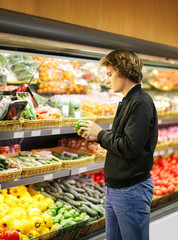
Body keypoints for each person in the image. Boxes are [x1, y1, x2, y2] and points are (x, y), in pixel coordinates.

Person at [76, 49, 158, 240]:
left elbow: (130, 147)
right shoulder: (128, 101)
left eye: (109, 74)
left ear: (123, 71)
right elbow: (122, 141)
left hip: (132, 190)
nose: (107, 79)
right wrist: (96, 136)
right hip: (117, 189)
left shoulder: (141, 103)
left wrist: (101, 134)